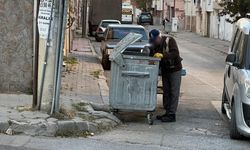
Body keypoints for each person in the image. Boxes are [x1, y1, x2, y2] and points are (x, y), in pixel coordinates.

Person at [149, 29, 182, 122]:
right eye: (153, 41)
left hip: (175, 69)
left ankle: (172, 114)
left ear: (159, 37)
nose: (154, 42)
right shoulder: (154, 45)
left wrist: (163, 55)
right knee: (166, 91)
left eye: (155, 40)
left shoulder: (169, 40)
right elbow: (151, 56)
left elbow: (175, 53)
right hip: (165, 70)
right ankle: (167, 112)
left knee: (174, 92)